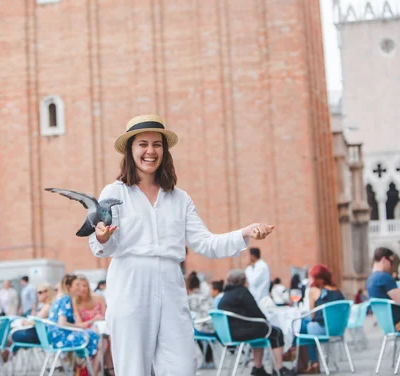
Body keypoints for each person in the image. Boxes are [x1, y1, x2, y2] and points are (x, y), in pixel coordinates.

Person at [88, 114, 275, 376]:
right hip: (130, 282)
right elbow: (101, 245)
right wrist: (103, 237)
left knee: (183, 365)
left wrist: (243, 233)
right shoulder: (114, 192)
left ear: (165, 151)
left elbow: (206, 243)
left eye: (157, 144)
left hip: (170, 283)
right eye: (142, 144)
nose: (150, 151)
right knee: (132, 368)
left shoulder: (179, 198)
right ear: (130, 151)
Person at [218, 269, 293, 376]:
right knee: (276, 332)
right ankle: (280, 369)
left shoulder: (226, 294)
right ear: (243, 281)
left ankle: (258, 368)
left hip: (228, 333)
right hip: (240, 332)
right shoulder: (242, 292)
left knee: (260, 330)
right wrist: (265, 321)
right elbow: (256, 312)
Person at [49, 274, 102, 375]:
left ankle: (83, 369)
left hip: (54, 338)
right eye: (77, 285)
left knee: (89, 336)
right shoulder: (66, 299)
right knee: (96, 339)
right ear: (69, 287)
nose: (80, 287)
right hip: (61, 338)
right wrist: (79, 327)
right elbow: (62, 322)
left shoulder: (61, 298)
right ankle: (92, 372)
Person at [297, 265, 345, 374]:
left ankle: (311, 362)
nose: (310, 280)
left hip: (323, 330)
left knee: (303, 324)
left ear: (319, 278)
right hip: (338, 330)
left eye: (311, 277)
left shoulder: (314, 291)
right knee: (306, 326)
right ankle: (308, 361)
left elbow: (312, 315)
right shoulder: (338, 292)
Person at [72, 275, 113, 375]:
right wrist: (92, 320)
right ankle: (107, 371)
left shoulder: (98, 297)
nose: (83, 289)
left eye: (85, 285)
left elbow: (107, 316)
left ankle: (108, 370)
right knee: (104, 343)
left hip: (103, 329)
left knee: (107, 340)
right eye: (80, 286)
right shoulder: (75, 302)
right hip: (87, 333)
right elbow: (79, 324)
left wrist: (100, 318)